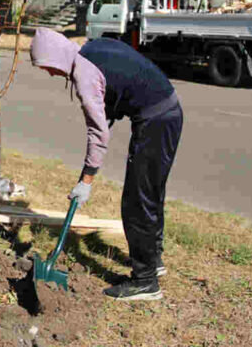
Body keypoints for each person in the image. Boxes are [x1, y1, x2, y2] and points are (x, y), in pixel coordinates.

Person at [29, 28, 183, 301]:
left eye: (47, 67)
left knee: (137, 201)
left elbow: (99, 133)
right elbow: (122, 75)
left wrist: (86, 180)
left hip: (156, 120)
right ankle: (153, 260)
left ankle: (146, 282)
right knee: (150, 194)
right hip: (167, 110)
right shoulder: (93, 48)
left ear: (56, 58)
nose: (50, 74)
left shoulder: (84, 75)